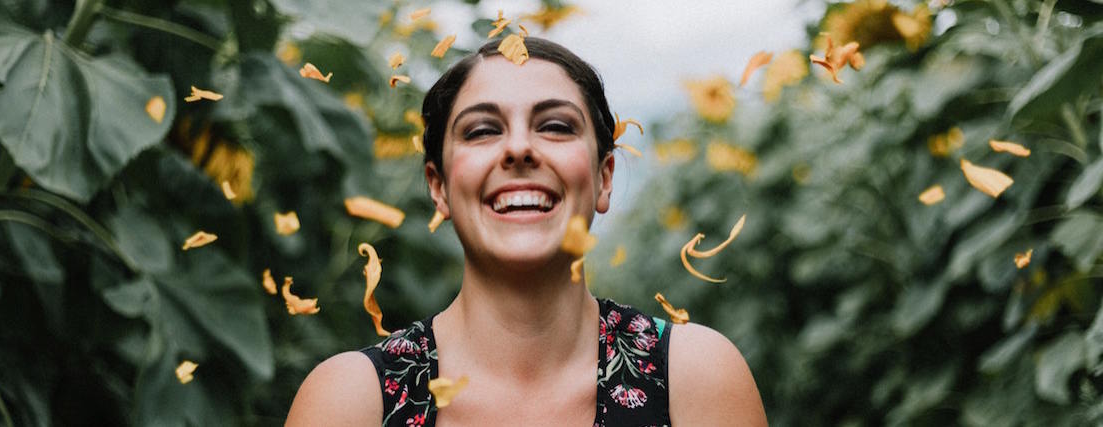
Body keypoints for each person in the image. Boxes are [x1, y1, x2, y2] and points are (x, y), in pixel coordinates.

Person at [287, 37, 767, 426]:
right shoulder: (351, 402)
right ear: (439, 188)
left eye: (555, 126)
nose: (518, 148)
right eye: (481, 131)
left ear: (604, 178)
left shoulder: (696, 378)